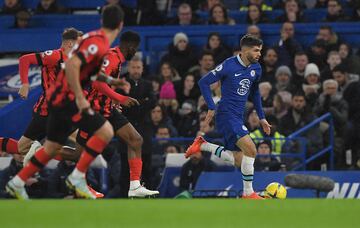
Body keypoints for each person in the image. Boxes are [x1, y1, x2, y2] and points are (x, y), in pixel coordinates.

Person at [6, 5, 125, 200]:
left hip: (57, 102)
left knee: (54, 148)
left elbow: (89, 72)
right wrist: (79, 97)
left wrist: (112, 83)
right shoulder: (98, 43)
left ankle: (17, 182)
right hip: (66, 101)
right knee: (104, 132)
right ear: (120, 25)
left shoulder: (92, 42)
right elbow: (73, 65)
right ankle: (77, 178)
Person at [186, 34, 271, 199]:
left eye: (260, 50)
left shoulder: (256, 68)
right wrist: (211, 106)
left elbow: (255, 93)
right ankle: (248, 194)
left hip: (239, 116)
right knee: (251, 150)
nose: (259, 54)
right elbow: (203, 82)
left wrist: (262, 117)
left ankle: (203, 145)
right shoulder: (228, 65)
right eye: (256, 50)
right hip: (226, 115)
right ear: (244, 50)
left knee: (240, 161)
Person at [76, 31, 159, 197]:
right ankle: (40, 153)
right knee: (77, 154)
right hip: (93, 110)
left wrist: (112, 100)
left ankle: (135, 186)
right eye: (135, 49)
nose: (135, 52)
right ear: (129, 46)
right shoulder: (112, 57)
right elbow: (97, 82)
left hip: (106, 107)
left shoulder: (116, 59)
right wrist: (119, 98)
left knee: (136, 139)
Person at [0, 28, 82, 161]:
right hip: (47, 110)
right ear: (70, 44)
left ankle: (40, 150)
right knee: (21, 148)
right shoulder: (55, 56)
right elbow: (25, 59)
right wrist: (25, 84)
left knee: (82, 149)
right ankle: (40, 150)